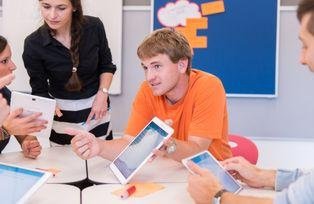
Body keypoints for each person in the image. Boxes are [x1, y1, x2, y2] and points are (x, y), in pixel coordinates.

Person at [187, 0, 314, 203]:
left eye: (305, 45)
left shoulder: (209, 85)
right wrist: (265, 176)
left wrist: (217, 197)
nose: (302, 58)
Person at [69, 28, 231, 162]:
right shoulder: (148, 89)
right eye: (145, 68)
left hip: (211, 174)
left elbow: (198, 150)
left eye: (157, 66)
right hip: (170, 174)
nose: (149, 77)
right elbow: (129, 143)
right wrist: (99, 146)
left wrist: (168, 146)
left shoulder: (208, 85)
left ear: (182, 65)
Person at [22, 0, 116, 146]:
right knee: (66, 164)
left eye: (61, 8)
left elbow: (106, 65)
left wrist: (103, 94)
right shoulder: (33, 44)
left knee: (101, 159)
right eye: (46, 7)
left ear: (74, 7)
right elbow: (39, 90)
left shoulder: (94, 27)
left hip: (98, 108)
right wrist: (49, 106)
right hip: (62, 118)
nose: (52, 15)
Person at [0, 35, 45, 158]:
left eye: (10, 59)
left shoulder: (4, 94)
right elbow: (7, 128)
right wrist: (5, 131)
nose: (13, 66)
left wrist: (27, 140)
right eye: (4, 61)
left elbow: (17, 127)